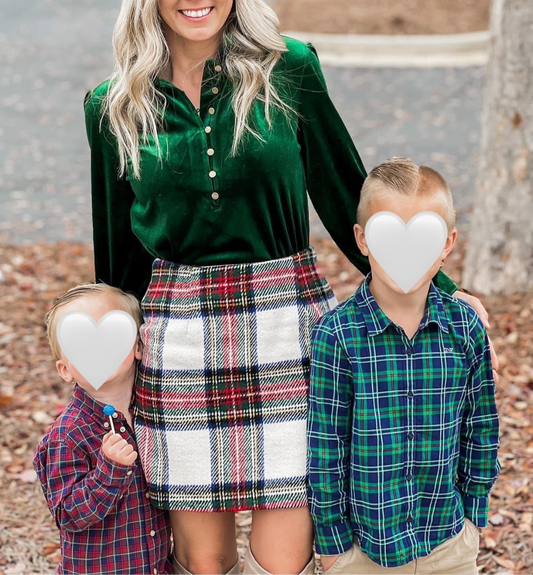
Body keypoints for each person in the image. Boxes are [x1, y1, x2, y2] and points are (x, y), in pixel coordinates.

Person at [83, 1, 495, 573]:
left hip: (288, 321)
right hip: (178, 338)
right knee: (203, 563)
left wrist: (442, 288)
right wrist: (105, 353)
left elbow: (343, 187)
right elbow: (117, 249)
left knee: (285, 559)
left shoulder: (289, 67)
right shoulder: (113, 105)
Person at [307, 158, 501, 575]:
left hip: (448, 541)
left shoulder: (464, 329)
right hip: (363, 551)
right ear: (362, 239)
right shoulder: (337, 335)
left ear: (446, 243)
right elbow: (326, 447)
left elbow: (481, 426)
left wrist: (474, 518)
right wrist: (333, 544)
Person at [33, 283, 174, 575]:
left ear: (136, 346)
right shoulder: (67, 435)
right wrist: (109, 470)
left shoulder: (151, 416)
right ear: (65, 369)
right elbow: (68, 514)